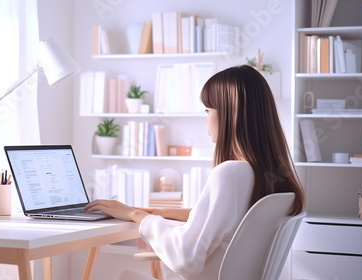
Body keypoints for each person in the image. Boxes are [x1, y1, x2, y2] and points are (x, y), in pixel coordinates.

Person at [84, 65, 305, 280]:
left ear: (231, 114)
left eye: (208, 111)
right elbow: (221, 219)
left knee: (126, 276)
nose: (206, 120)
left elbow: (185, 258)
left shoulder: (230, 174)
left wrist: (137, 216)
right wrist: (156, 211)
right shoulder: (268, 176)